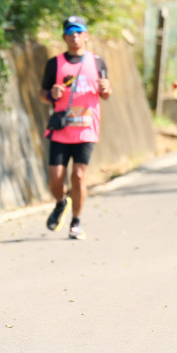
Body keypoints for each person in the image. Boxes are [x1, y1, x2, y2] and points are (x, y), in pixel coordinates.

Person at [39, 16, 112, 240]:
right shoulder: (55, 63)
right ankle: (61, 202)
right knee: (55, 178)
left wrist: (107, 89)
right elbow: (42, 94)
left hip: (86, 129)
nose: (75, 36)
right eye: (70, 32)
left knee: (78, 176)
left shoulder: (97, 62)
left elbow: (106, 94)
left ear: (86, 36)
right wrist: (51, 94)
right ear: (64, 37)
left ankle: (76, 221)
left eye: (79, 32)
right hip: (61, 129)